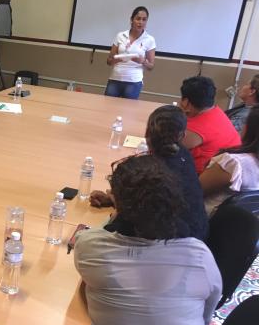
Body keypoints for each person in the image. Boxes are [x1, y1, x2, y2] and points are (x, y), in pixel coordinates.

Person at [74, 155, 221, 325]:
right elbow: (206, 313)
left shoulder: (91, 247)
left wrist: (114, 215)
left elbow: (95, 243)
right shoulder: (199, 255)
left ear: (119, 204)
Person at [90, 105, 208, 240]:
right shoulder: (184, 155)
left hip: (172, 241)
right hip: (197, 234)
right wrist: (115, 199)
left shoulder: (152, 173)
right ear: (182, 136)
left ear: (146, 134)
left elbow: (141, 217)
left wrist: (117, 200)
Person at [201, 105, 259, 214]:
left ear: (250, 129)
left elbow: (194, 191)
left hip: (205, 219)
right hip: (240, 223)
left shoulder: (235, 163)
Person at [180, 76, 240, 174]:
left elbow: (165, 146)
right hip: (228, 173)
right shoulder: (216, 111)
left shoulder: (196, 129)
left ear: (186, 102)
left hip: (200, 177)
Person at [105, 6, 156, 100]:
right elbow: (109, 61)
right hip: (115, 79)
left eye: (144, 19)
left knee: (128, 109)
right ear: (132, 20)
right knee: (107, 106)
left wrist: (143, 61)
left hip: (134, 82)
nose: (141, 22)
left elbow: (151, 66)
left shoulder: (149, 39)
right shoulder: (120, 35)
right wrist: (118, 59)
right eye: (138, 19)